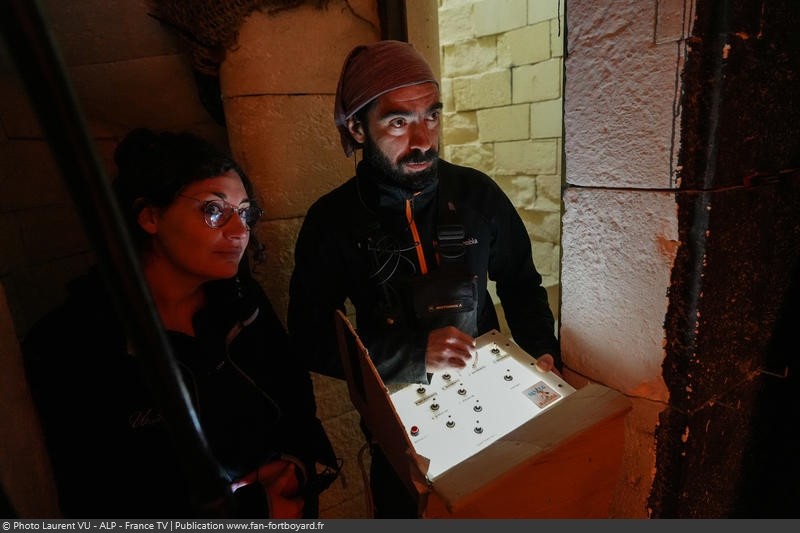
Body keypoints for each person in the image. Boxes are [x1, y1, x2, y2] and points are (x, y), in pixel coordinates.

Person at [287, 40, 561, 518]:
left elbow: (520, 284)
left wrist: (544, 353)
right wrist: (411, 355)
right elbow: (308, 338)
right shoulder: (331, 221)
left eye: (431, 116)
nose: (423, 140)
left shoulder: (476, 193)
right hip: (401, 432)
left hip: (494, 412)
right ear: (356, 127)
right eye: (398, 121)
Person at [22, 128, 339, 518]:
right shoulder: (73, 344)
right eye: (213, 210)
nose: (240, 231)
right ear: (150, 216)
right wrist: (250, 509)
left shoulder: (243, 304)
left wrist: (296, 466)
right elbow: (94, 490)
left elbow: (293, 392)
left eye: (245, 212)